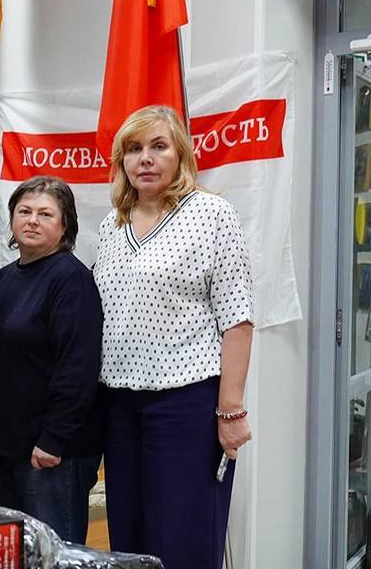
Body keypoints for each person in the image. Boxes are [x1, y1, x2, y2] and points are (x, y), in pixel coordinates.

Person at [94, 105, 253, 568]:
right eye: (134, 149)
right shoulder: (112, 224)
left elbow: (238, 320)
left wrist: (231, 410)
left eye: (158, 147)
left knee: (183, 539)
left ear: (180, 155)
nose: (145, 158)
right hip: (119, 405)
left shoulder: (212, 215)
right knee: (129, 540)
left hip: (185, 404)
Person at [0, 176, 102, 544]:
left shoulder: (71, 280)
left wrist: (53, 439)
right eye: (25, 212)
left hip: (51, 454)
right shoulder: (3, 280)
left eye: (45, 214)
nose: (33, 220)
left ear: (65, 225)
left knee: (54, 556)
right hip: (6, 449)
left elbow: (78, 368)